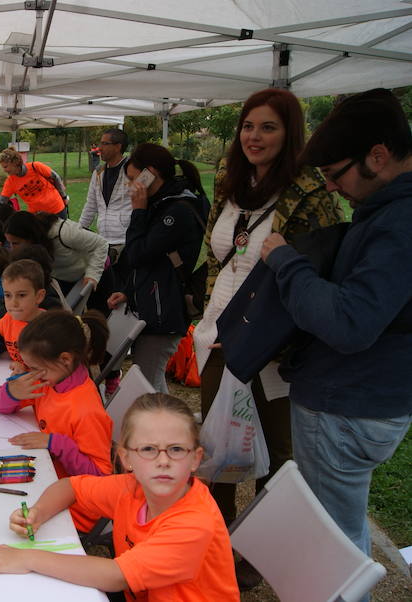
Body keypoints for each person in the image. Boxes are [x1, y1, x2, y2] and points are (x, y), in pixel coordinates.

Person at [192, 89, 344, 584]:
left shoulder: (310, 193)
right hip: (217, 336)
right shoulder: (228, 182)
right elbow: (220, 260)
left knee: (274, 453)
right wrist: (217, 321)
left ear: (290, 133)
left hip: (274, 349)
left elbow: (320, 278)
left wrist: (266, 338)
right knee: (218, 446)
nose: (254, 137)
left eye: (269, 128)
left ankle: (261, 553)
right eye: (248, 126)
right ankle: (215, 539)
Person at [260, 88, 412, 569]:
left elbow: (350, 323)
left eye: (334, 175)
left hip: (346, 406)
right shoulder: (388, 213)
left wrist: (287, 262)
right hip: (359, 398)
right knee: (343, 524)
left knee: (333, 547)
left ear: (378, 156)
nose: (330, 188)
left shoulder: (400, 222)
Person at [0, 393, 239, 601]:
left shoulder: (194, 523)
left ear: (195, 459)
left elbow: (115, 576)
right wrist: (38, 513)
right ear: (126, 458)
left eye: (177, 449)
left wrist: (26, 558)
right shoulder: (130, 488)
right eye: (148, 449)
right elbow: (70, 487)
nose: (163, 461)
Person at [0, 310, 113, 533]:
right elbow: (1, 405)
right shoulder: (50, 379)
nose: (32, 374)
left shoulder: (86, 411)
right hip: (46, 477)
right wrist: (12, 391)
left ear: (65, 359)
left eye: (36, 368)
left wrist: (57, 443)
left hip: (75, 507)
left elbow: (100, 478)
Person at [106, 144, 206, 393]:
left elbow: (138, 253)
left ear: (149, 173)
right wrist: (129, 291)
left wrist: (138, 211)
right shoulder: (161, 204)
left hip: (164, 312)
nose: (129, 186)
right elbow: (151, 262)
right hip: (152, 305)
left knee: (146, 382)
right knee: (149, 380)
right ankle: (165, 428)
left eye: (132, 178)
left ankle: (161, 430)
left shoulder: (176, 211)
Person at [4, 210, 108, 297]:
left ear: (30, 237)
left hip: (95, 276)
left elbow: (101, 244)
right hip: (64, 280)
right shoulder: (31, 249)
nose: (12, 248)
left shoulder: (64, 232)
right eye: (9, 243)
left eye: (15, 243)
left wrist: (92, 275)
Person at [0, 259, 46, 368]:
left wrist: (27, 369)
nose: (13, 303)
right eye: (8, 295)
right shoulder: (9, 318)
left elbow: (54, 367)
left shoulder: (48, 327)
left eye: (21, 295)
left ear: (39, 296)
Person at [79, 128, 131, 248]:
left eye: (105, 144)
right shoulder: (98, 172)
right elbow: (91, 205)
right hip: (104, 241)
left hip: (127, 240)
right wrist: (79, 229)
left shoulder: (133, 170)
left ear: (118, 147)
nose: (99, 148)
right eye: (100, 143)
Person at [0, 148, 68, 218]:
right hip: (38, 216)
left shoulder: (35, 167)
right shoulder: (10, 182)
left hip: (57, 208)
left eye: (6, 167)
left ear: (14, 163)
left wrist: (64, 197)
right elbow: (2, 201)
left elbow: (56, 177)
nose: (4, 170)